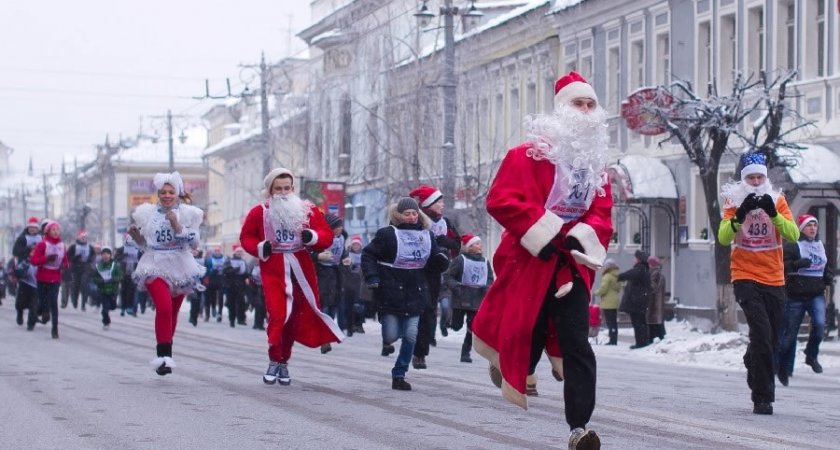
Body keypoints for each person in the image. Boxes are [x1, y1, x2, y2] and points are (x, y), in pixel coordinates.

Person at [471, 71, 612, 449]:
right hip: (529, 259)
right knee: (527, 328)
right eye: (577, 104)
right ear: (560, 109)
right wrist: (543, 233)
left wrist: (579, 235)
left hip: (571, 262)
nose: (584, 111)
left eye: (590, 104)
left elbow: (602, 214)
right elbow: (501, 200)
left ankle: (579, 428)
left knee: (577, 342)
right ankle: (510, 360)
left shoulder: (597, 168)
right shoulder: (527, 155)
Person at [239, 167, 343, 386]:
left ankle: (284, 361)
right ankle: (273, 359)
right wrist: (261, 247)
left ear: (293, 188)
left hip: (300, 268)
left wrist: (312, 236)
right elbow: (246, 237)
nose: (283, 193)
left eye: (287, 188)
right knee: (278, 315)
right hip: (274, 267)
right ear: (270, 190)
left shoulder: (306, 210)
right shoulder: (260, 212)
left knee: (295, 317)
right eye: (278, 189)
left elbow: (325, 234)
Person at [718, 151, 799, 415]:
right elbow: (723, 237)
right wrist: (739, 214)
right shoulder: (734, 200)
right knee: (762, 334)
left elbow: (793, 233)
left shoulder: (777, 200)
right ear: (744, 180)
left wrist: (773, 214)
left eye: (758, 177)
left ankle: (753, 358)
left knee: (772, 338)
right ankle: (763, 397)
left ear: (765, 179)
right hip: (744, 276)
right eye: (750, 177)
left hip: (774, 277)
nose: (754, 182)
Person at [362, 197, 449, 391]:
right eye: (407, 214)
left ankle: (399, 374)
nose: (411, 217)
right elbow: (368, 255)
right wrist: (372, 277)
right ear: (398, 215)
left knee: (411, 336)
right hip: (390, 291)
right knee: (392, 334)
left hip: (416, 292)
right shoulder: (387, 234)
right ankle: (388, 340)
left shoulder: (426, 235)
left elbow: (434, 258)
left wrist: (442, 260)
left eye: (414, 213)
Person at [128, 171, 206, 375]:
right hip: (154, 263)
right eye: (163, 192)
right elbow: (144, 245)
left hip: (180, 264)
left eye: (171, 192)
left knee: (172, 312)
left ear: (178, 193)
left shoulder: (190, 213)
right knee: (163, 307)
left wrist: (177, 225)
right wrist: (137, 238)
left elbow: (195, 242)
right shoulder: (147, 214)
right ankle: (163, 355)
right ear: (158, 194)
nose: (167, 195)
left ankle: (166, 354)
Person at [776, 214, 834, 386]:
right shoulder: (794, 246)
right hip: (796, 296)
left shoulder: (820, 246)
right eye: (809, 226)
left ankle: (811, 355)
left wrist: (828, 276)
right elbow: (782, 265)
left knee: (819, 325)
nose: (813, 229)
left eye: (815, 226)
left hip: (816, 293)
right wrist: (797, 264)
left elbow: (825, 266)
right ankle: (783, 369)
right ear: (802, 228)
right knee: (789, 336)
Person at [408, 184, 460, 370]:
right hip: (414, 272)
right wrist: (434, 242)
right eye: (439, 202)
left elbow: (458, 244)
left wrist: (449, 243)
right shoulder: (415, 220)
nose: (443, 205)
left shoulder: (445, 223)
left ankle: (420, 353)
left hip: (435, 274)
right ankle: (408, 344)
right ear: (429, 204)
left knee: (428, 311)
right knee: (417, 310)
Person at [443, 233, 494, 364]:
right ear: (469, 247)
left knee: (472, 327)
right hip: (461, 297)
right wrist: (456, 286)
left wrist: (488, 287)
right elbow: (448, 276)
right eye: (476, 244)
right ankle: (448, 321)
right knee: (457, 326)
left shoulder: (485, 261)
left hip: (477, 299)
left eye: (479, 243)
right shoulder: (460, 260)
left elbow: (489, 278)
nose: (480, 246)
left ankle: (465, 352)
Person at [312, 213, 346, 353]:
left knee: (332, 306)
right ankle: (324, 338)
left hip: (335, 273)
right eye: (337, 227)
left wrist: (346, 259)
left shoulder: (342, 238)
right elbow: (307, 254)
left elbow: (342, 253)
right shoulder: (319, 238)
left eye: (340, 226)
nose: (340, 229)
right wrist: (318, 256)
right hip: (321, 273)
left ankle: (327, 333)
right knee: (324, 306)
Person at [30, 220, 69, 339]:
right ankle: (37, 314)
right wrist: (46, 258)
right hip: (42, 277)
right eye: (53, 230)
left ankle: (55, 329)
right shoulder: (42, 244)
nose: (56, 232)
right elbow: (34, 261)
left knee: (53, 303)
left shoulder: (62, 245)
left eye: (57, 230)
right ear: (47, 232)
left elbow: (65, 261)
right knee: (42, 303)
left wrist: (65, 265)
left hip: (55, 278)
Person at [618, 250, 650, 349]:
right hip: (639, 301)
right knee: (640, 322)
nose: (633, 260)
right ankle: (642, 342)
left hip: (637, 301)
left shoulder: (640, 269)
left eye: (635, 258)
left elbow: (629, 274)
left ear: (639, 259)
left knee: (638, 323)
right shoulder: (643, 269)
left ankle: (641, 343)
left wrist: (618, 276)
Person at [91, 246, 122, 330]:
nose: (106, 256)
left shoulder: (115, 265)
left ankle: (110, 309)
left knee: (113, 306)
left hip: (113, 290)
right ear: (101, 255)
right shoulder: (98, 266)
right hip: (103, 291)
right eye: (104, 254)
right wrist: (100, 281)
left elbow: (120, 276)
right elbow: (94, 278)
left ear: (110, 255)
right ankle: (106, 322)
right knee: (105, 309)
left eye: (107, 254)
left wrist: (114, 279)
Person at [341, 235, 366, 336]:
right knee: (349, 306)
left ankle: (359, 324)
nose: (356, 246)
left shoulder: (364, 254)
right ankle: (349, 326)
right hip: (348, 283)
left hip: (360, 283)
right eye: (354, 244)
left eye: (357, 245)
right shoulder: (347, 254)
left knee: (359, 306)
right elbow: (343, 266)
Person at [67, 230, 95, 310]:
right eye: (82, 238)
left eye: (85, 238)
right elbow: (68, 256)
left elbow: (93, 256)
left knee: (84, 285)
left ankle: (83, 304)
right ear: (78, 238)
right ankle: (74, 300)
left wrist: (90, 259)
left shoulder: (90, 247)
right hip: (75, 268)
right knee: (75, 285)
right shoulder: (73, 247)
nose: (83, 239)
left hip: (85, 268)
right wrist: (75, 258)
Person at [594, 259, 621, 345]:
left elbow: (603, 289)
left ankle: (612, 340)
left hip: (608, 302)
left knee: (610, 322)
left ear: (608, 266)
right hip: (615, 301)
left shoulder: (608, 276)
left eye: (605, 265)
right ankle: (614, 339)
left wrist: (595, 292)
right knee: (613, 322)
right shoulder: (617, 276)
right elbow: (619, 288)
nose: (604, 267)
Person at [223, 244, 249, 327]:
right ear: (234, 252)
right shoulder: (229, 260)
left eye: (240, 252)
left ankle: (241, 319)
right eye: (238, 251)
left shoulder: (243, 261)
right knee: (231, 303)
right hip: (231, 284)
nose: (239, 253)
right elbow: (225, 270)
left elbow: (246, 272)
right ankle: (232, 319)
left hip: (241, 285)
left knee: (241, 302)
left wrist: (248, 276)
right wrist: (234, 270)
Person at [116, 234, 143, 317]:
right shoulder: (121, 249)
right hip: (123, 273)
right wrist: (123, 256)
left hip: (134, 273)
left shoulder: (138, 249)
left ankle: (130, 307)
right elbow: (116, 258)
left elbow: (142, 259)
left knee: (132, 290)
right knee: (123, 291)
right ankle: (123, 307)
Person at [204, 246, 228, 322]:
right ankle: (210, 312)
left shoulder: (224, 259)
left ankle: (220, 313)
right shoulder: (209, 260)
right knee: (211, 297)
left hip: (221, 280)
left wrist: (225, 271)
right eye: (216, 251)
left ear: (220, 251)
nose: (217, 252)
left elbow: (227, 268)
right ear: (214, 252)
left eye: (218, 251)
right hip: (211, 280)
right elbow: (206, 269)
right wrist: (211, 271)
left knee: (221, 297)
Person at [646, 255, 667, 343]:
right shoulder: (656, 273)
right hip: (656, 302)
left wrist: (645, 284)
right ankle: (658, 336)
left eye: (649, 263)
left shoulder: (655, 273)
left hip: (654, 302)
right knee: (655, 322)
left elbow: (653, 287)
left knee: (653, 321)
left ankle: (655, 337)